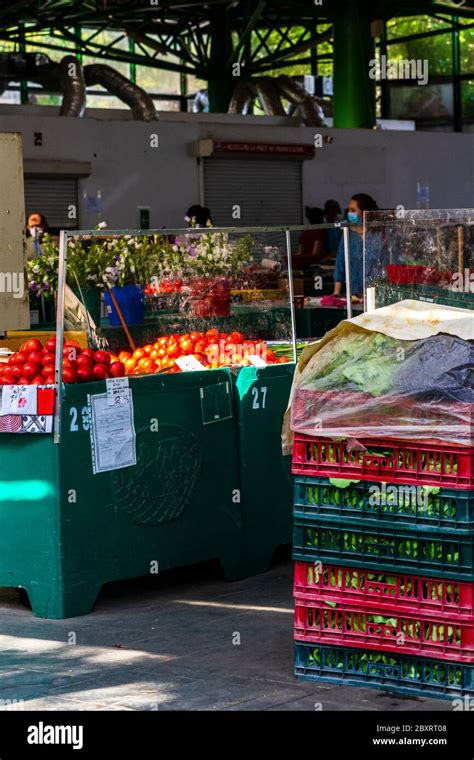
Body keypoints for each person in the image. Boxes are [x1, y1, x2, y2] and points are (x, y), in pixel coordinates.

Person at [333, 193, 381, 297]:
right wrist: (336, 293)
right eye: (349, 210)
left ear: (365, 212)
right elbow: (340, 262)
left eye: (353, 210)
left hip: (375, 293)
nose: (349, 213)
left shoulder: (378, 235)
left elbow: (381, 265)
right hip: (354, 293)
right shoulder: (347, 234)